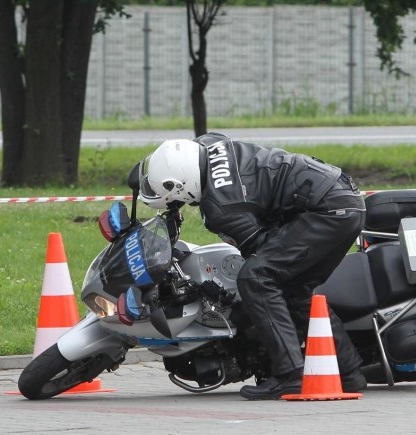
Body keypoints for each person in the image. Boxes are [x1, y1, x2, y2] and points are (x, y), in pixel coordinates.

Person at [135, 133, 367, 400]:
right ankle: (348, 372)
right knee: (296, 290)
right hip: (342, 200)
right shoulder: (210, 143)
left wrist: (242, 310)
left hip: (327, 212)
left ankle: (289, 374)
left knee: (256, 278)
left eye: (172, 198)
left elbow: (261, 249)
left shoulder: (221, 208)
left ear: (183, 185)